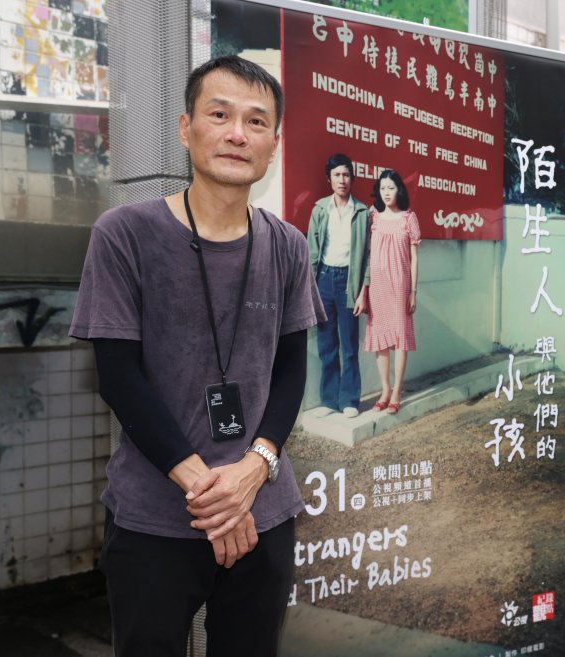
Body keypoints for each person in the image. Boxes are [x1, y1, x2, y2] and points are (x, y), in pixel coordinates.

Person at [70, 56, 324, 656]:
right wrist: (214, 496)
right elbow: (118, 377)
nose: (237, 134)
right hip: (155, 516)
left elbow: (290, 372)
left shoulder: (287, 245)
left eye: (256, 122)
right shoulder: (124, 234)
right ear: (186, 128)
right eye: (219, 115)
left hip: (263, 510)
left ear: (274, 144)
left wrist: (253, 471)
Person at [307, 153, 370, 419]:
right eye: (337, 175)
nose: (342, 180)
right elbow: (311, 251)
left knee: (349, 345)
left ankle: (350, 400)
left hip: (348, 282)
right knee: (327, 345)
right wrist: (310, 288)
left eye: (346, 175)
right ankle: (329, 400)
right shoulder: (320, 209)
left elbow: (368, 255)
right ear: (329, 179)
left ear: (351, 178)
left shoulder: (362, 212)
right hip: (323, 279)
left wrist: (363, 291)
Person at [362, 169, 420, 414]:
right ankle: (385, 389)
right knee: (381, 339)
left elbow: (414, 259)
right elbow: (366, 254)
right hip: (377, 286)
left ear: (399, 190)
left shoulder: (409, 218)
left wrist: (413, 291)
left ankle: (397, 390)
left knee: (400, 339)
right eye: (383, 188)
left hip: (400, 287)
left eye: (391, 188)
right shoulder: (372, 217)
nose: (386, 193)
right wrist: (364, 289)